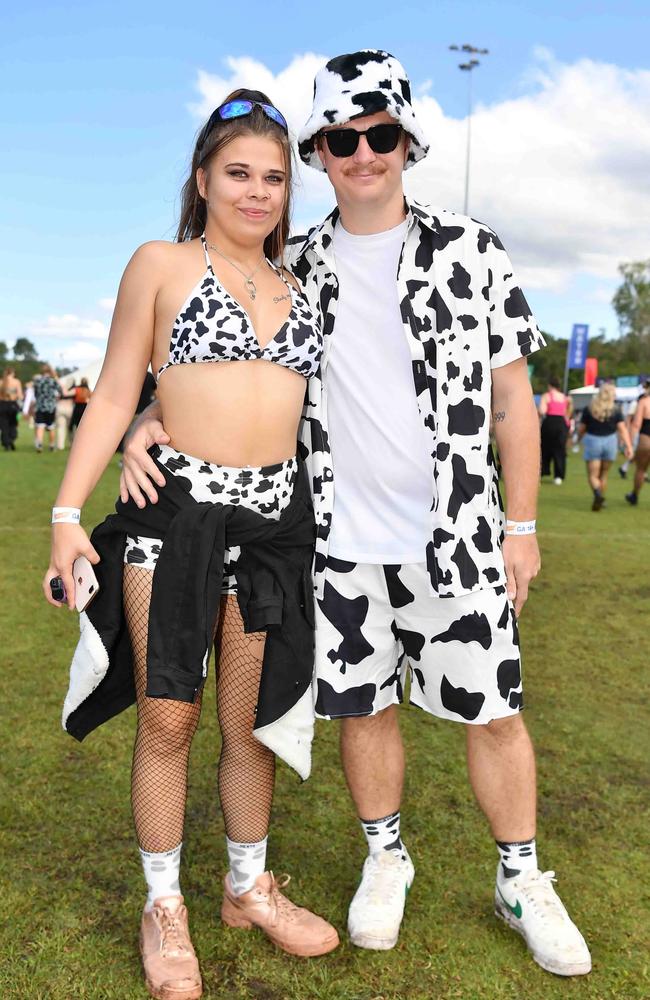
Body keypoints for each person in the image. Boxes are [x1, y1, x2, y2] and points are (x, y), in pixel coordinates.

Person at [121, 51, 592, 977]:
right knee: (363, 712)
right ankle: (386, 858)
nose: (364, 153)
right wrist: (147, 419)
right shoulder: (302, 262)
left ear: (408, 141)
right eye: (343, 138)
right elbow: (233, 362)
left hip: (457, 534)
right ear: (321, 153)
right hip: (331, 544)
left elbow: (512, 401)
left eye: (381, 134)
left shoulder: (471, 247)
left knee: (493, 710)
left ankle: (522, 877)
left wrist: (523, 527)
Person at [43, 90, 338, 1000]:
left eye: (275, 179)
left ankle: (248, 887)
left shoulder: (306, 286)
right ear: (204, 178)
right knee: (168, 719)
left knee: (249, 727)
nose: (257, 193)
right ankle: (163, 904)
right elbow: (120, 382)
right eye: (239, 173)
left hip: (273, 531)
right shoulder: (162, 265)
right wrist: (64, 513)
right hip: (171, 525)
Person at [578, 382, 633, 510]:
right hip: (610, 442)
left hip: (593, 441)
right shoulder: (616, 410)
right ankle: (601, 499)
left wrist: (577, 440)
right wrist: (629, 446)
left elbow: (582, 429)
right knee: (604, 474)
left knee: (593, 475)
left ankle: (597, 494)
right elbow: (622, 429)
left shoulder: (590, 408)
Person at [538, 377, 572, 483]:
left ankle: (544, 470)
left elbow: (542, 411)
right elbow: (568, 412)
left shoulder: (546, 396)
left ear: (549, 385)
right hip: (562, 424)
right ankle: (558, 476)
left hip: (549, 423)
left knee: (545, 448)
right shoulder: (565, 397)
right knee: (560, 450)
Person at [625, 380, 650, 505]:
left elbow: (636, 425)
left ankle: (634, 495)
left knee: (641, 469)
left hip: (646, 440)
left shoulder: (644, 402)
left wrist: (629, 443)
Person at [33, 363, 62, 451]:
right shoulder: (53, 381)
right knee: (51, 426)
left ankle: (39, 444)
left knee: (40, 426)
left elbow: (35, 394)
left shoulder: (38, 381)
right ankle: (52, 445)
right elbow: (60, 391)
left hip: (40, 406)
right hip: (51, 407)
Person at [0, 367, 23, 451]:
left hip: (2, 405)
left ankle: (6, 443)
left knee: (4, 426)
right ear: (12, 373)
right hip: (12, 405)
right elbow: (20, 396)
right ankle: (11, 440)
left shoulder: (1, 382)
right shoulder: (16, 382)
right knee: (13, 425)